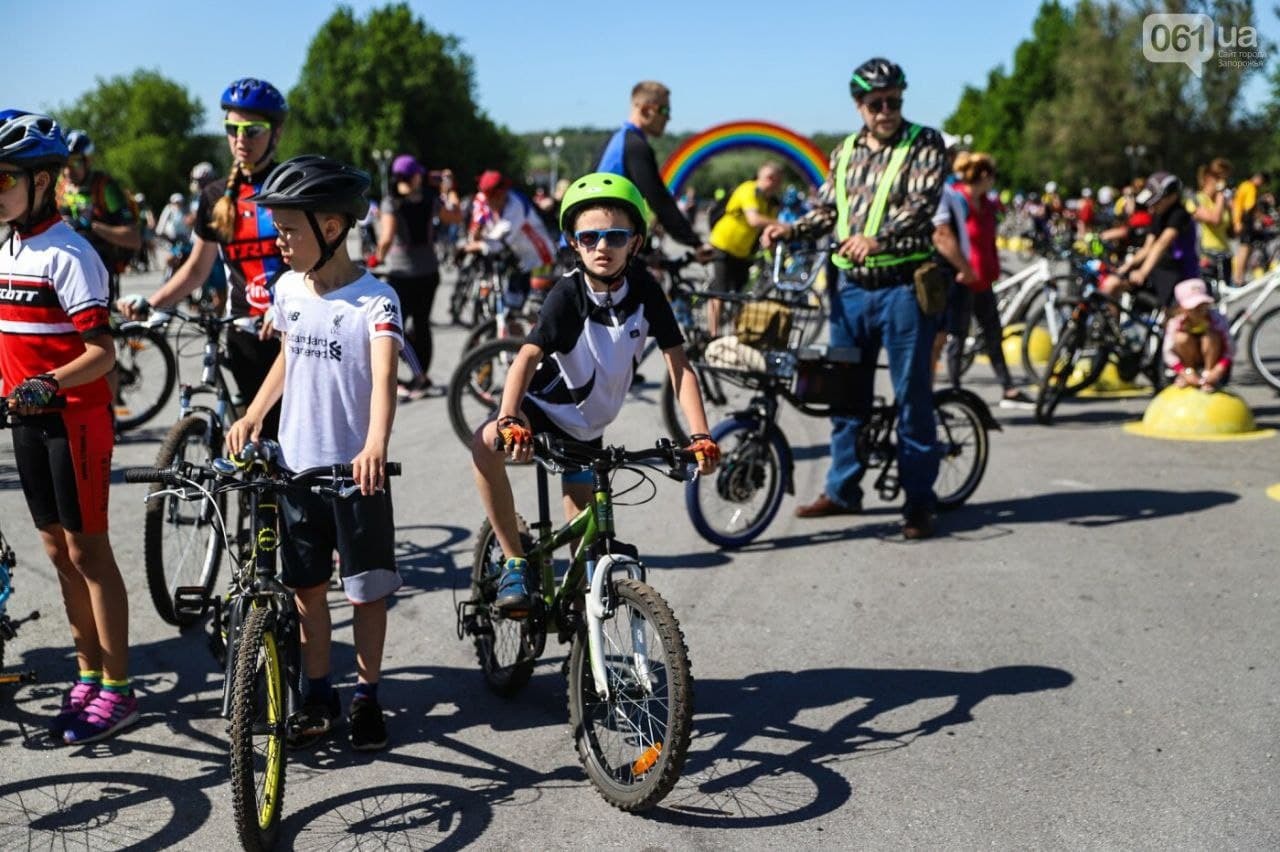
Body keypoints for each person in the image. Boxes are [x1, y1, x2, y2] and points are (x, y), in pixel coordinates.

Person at [471, 173, 720, 614]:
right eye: (590, 237)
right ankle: (513, 561)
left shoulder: (646, 290)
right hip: (542, 409)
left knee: (587, 554)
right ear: (574, 242)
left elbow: (678, 368)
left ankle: (589, 641)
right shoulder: (567, 293)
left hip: (589, 427)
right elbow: (526, 358)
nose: (602, 246)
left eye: (615, 236)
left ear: (635, 243)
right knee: (486, 441)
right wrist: (509, 417)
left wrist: (699, 434)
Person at [226, 155, 402, 751]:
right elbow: (288, 356)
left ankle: (368, 695)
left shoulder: (375, 301)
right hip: (298, 467)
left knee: (366, 592)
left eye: (290, 229)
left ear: (331, 228)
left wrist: (376, 440)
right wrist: (253, 412)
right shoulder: (287, 289)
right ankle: (319, 693)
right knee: (307, 591)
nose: (281, 240)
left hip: (356, 474)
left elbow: (385, 378)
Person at [762, 57, 947, 540]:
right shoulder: (844, 151)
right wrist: (790, 229)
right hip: (848, 293)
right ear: (859, 105)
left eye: (895, 101)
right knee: (845, 395)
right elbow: (827, 208)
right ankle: (843, 489)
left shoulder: (923, 142)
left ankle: (919, 504)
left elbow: (921, 205)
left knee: (912, 398)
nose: (887, 111)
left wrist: (877, 238)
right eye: (877, 103)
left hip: (903, 288)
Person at [0, 112, 137, 744]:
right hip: (26, 421)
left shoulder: (70, 251)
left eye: (3, 179)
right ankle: (86, 670)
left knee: (89, 553)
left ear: (43, 181)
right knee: (56, 552)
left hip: (74, 422)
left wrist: (51, 382)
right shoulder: (8, 246)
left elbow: (103, 354)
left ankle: (118, 687)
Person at [118, 78, 289, 434]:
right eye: (232, 128)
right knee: (250, 440)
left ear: (276, 133)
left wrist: (289, 304)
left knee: (285, 440)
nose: (241, 139)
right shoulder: (215, 196)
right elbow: (197, 268)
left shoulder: (291, 186)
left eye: (253, 130)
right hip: (242, 331)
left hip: (290, 333)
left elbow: (312, 264)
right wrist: (153, 302)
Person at [934, 153, 1033, 407]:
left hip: (983, 278)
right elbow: (948, 236)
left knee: (993, 333)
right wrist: (962, 268)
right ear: (985, 176)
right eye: (993, 176)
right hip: (963, 277)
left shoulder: (988, 204)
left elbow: (989, 239)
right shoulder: (958, 200)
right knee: (956, 335)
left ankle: (1008, 389)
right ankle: (954, 392)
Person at [374, 153, 462, 398]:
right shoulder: (430, 199)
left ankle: (418, 377)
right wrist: (450, 190)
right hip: (429, 271)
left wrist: (378, 255)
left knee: (396, 326)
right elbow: (455, 216)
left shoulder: (391, 202)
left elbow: (387, 236)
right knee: (422, 324)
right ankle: (421, 374)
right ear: (413, 176)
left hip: (401, 272)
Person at [596, 81, 712, 259]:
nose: (669, 118)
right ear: (644, 110)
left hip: (594, 243)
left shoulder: (614, 140)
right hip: (603, 248)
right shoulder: (635, 146)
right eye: (664, 110)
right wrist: (695, 243)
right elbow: (659, 200)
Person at [57, 130, 141, 302]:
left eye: (75, 162)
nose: (67, 170)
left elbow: (133, 238)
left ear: (88, 161)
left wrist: (90, 226)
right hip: (64, 271)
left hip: (99, 271)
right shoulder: (61, 187)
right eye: (64, 163)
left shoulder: (105, 187)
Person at [706, 161, 784, 335]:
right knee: (719, 292)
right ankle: (713, 335)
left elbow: (767, 230)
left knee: (740, 296)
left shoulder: (771, 202)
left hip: (744, 252)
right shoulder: (748, 189)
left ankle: (735, 336)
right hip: (723, 244)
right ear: (766, 178)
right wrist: (784, 225)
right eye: (774, 180)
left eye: (778, 181)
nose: (776, 185)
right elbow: (754, 219)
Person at [462, 170, 555, 311]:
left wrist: (470, 247)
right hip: (520, 262)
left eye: (491, 199)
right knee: (510, 311)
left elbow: (497, 243)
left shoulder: (515, 206)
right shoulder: (488, 199)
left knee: (536, 310)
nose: (488, 202)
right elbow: (481, 218)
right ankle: (512, 332)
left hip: (541, 260)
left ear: (501, 194)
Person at [1106, 172, 1197, 307]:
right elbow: (1148, 247)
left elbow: (1162, 244)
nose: (1152, 206)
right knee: (1112, 285)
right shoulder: (1157, 214)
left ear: (1172, 196)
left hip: (1179, 273)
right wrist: (1127, 266)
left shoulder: (1179, 214)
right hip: (1157, 268)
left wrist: (1143, 272)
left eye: (1157, 201)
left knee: (1170, 318)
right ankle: (1112, 326)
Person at [1163, 278, 1233, 392]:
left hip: (1212, 359)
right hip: (1189, 359)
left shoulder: (1217, 319)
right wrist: (1183, 371)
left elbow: (1230, 349)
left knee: (1211, 337)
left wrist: (1219, 369)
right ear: (1182, 308)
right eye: (1194, 308)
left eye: (1203, 305)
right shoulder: (1176, 323)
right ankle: (1190, 373)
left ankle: (1208, 374)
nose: (1200, 310)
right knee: (1181, 338)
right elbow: (1168, 353)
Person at [1191, 159, 1233, 286]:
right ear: (1208, 178)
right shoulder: (1197, 199)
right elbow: (1215, 220)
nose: (1223, 182)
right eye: (1220, 178)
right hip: (1206, 256)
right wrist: (1221, 195)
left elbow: (1234, 231)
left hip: (1225, 255)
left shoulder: (1221, 201)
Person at [1232, 170, 1269, 284]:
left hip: (1240, 221)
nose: (1261, 186)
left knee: (1245, 249)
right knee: (1245, 249)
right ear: (1259, 179)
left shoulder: (1244, 185)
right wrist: (1263, 218)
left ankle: (1239, 277)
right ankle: (1238, 279)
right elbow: (1249, 207)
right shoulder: (1251, 187)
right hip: (1244, 221)